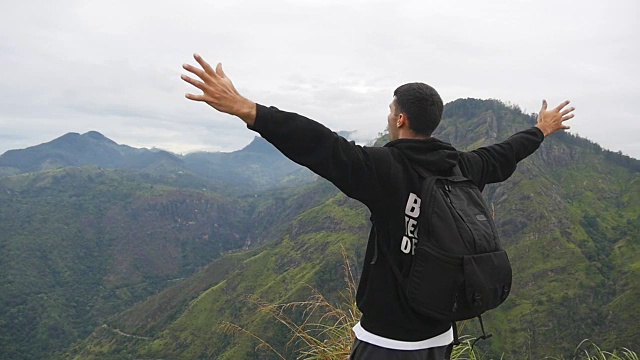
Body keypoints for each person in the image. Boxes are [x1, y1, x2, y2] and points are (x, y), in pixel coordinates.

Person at [181, 53, 575, 360]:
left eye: (390, 111)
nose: (388, 117)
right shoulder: (464, 167)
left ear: (400, 119)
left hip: (387, 341)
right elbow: (505, 153)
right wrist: (541, 129)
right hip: (442, 333)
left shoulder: (384, 168)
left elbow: (318, 144)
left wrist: (246, 109)